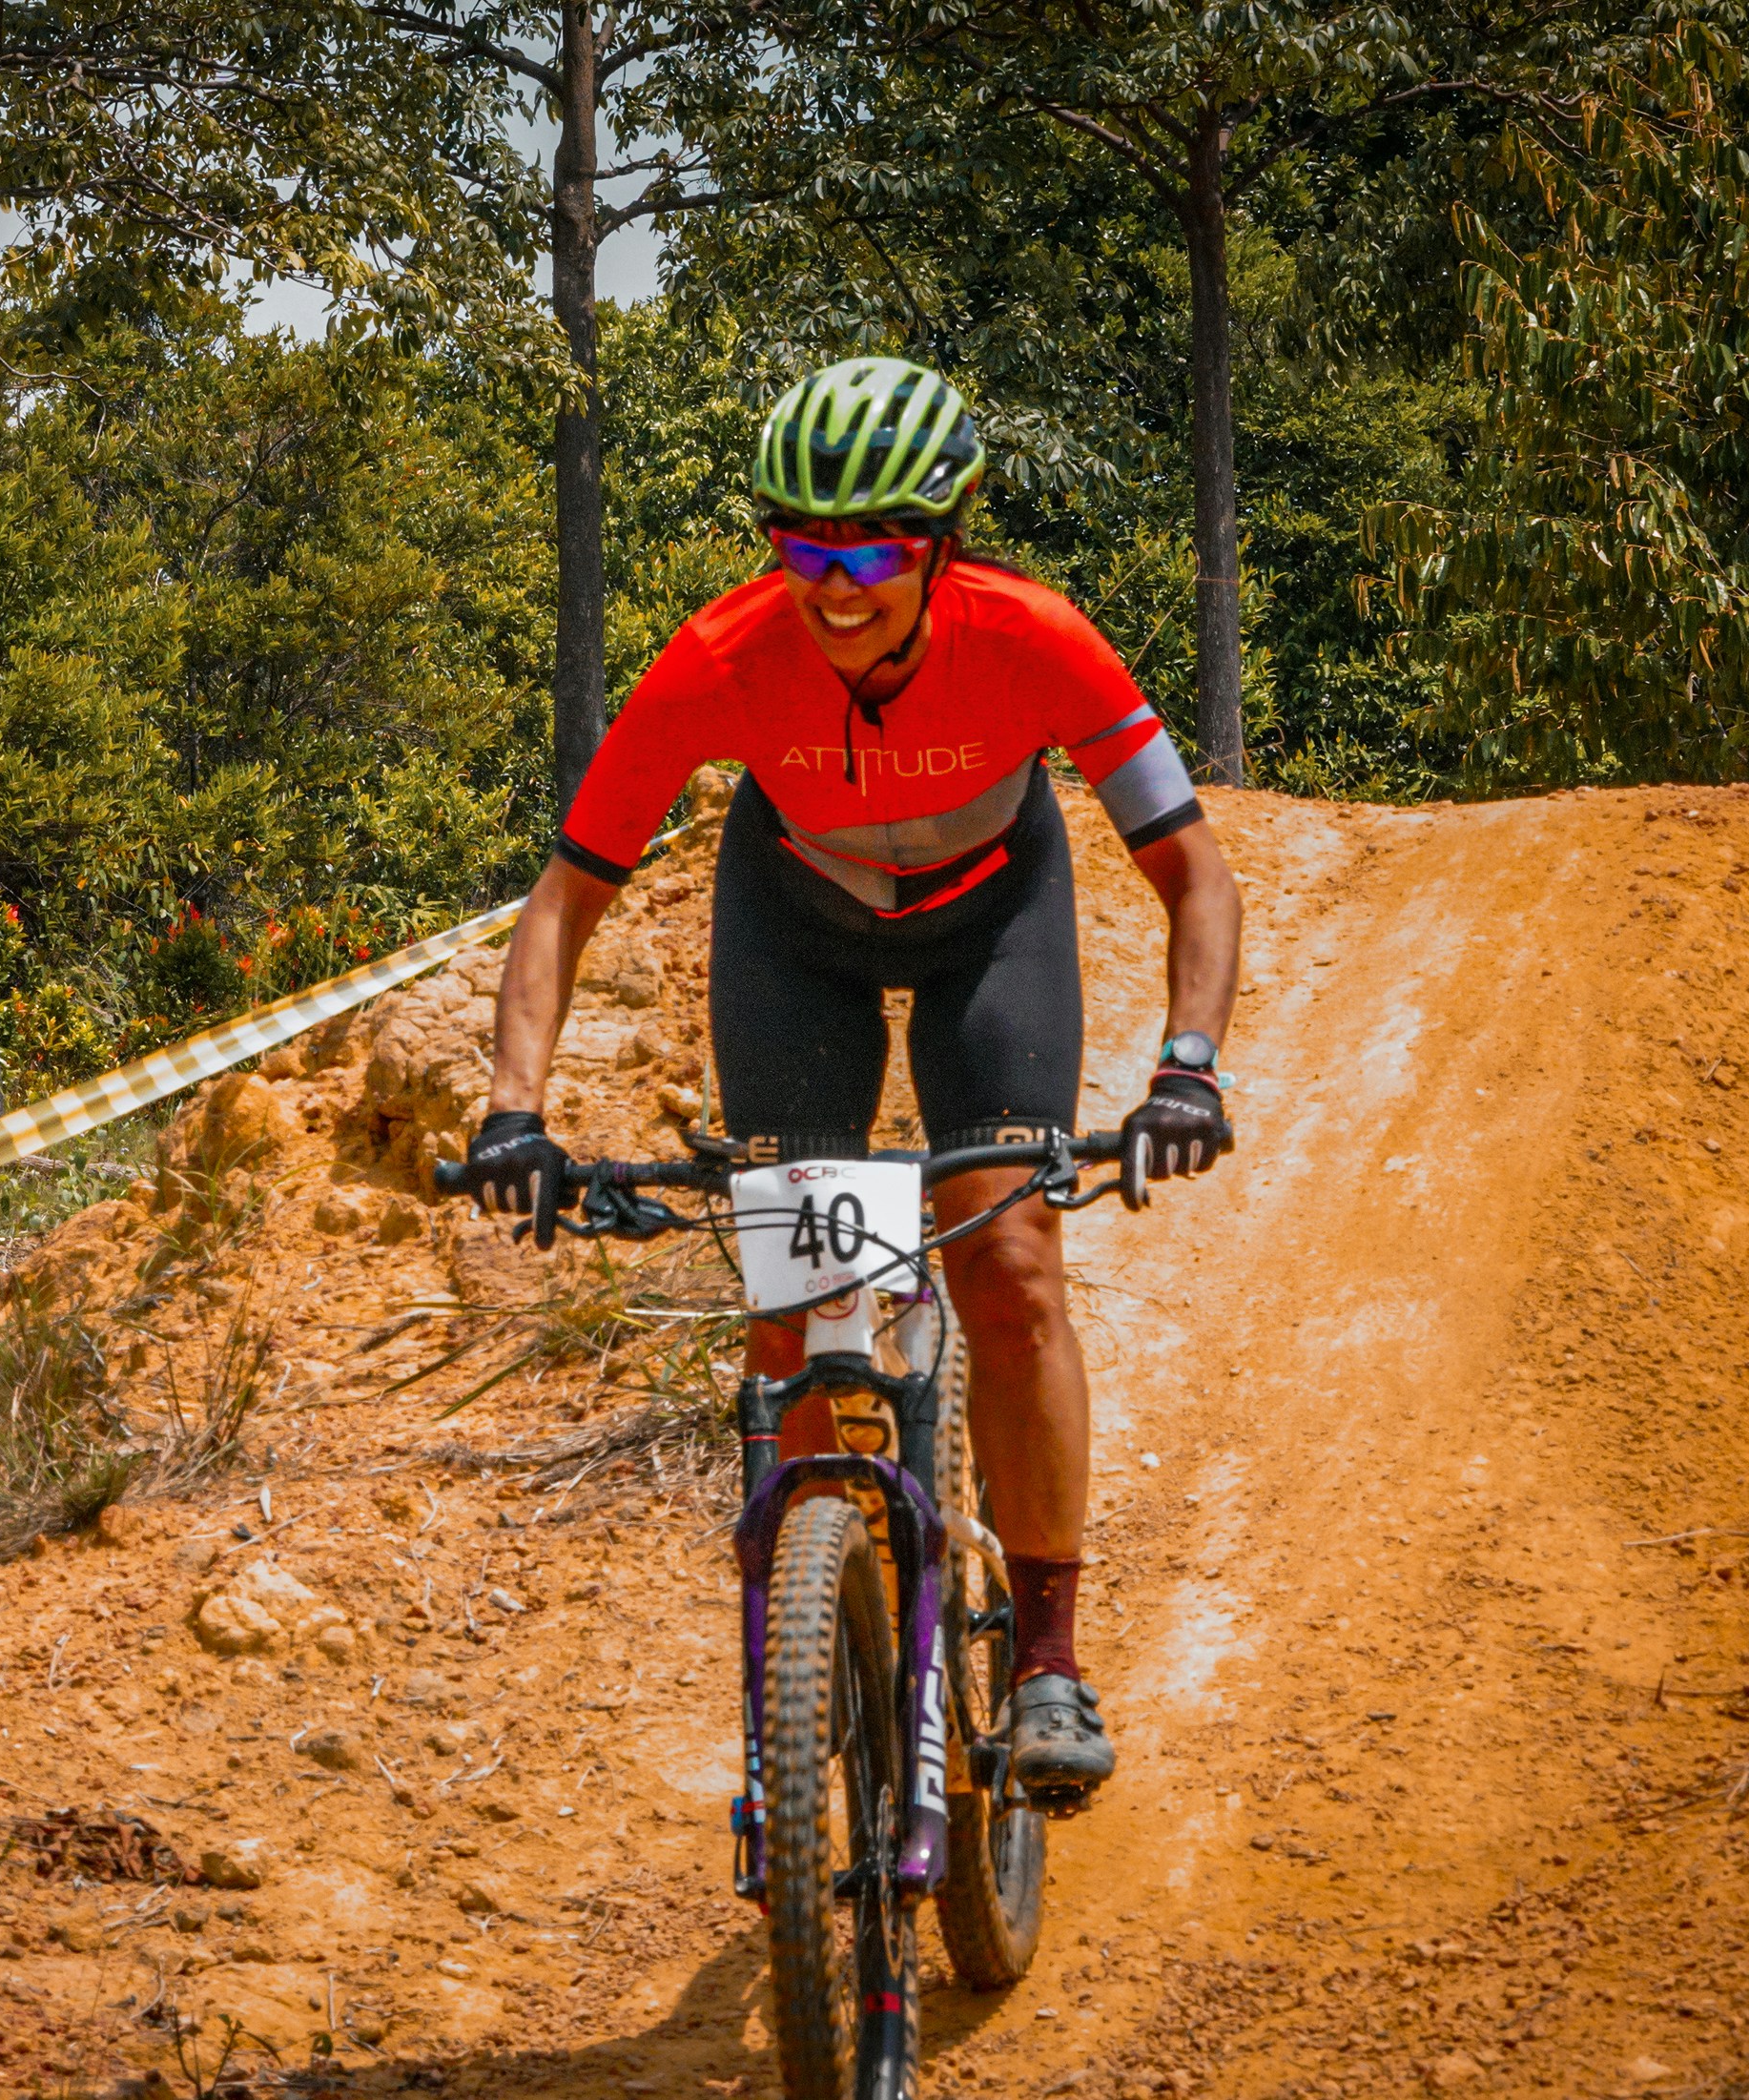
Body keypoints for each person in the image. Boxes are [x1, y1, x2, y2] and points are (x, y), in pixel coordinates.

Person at [459, 355, 1241, 1803]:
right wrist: (516, 1106)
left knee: (1008, 1260)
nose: (832, 584)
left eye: (869, 548)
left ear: (940, 541)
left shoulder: (1036, 638)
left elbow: (1189, 865)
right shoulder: (717, 657)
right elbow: (568, 896)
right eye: (801, 545)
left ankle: (1052, 1655)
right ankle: (837, 1616)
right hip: (795, 925)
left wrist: (1185, 1068)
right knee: (797, 1311)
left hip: (993, 922)